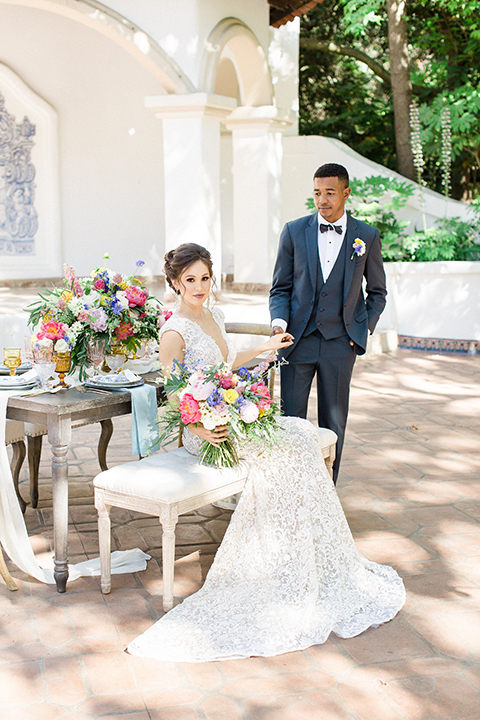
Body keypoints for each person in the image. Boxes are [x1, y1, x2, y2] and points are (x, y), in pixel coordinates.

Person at [126, 242, 404, 663]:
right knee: (288, 448)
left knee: (299, 435)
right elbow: (171, 394)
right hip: (208, 431)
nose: (199, 287)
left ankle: (306, 560)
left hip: (231, 414)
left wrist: (266, 348)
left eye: (205, 277)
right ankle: (275, 567)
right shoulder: (173, 331)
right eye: (190, 280)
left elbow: (226, 363)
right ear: (174, 283)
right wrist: (201, 424)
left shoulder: (214, 315)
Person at [270, 163, 387, 484]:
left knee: (333, 423)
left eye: (330, 193)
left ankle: (326, 491)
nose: (322, 200)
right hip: (297, 341)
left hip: (340, 344)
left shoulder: (366, 236)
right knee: (290, 421)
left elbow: (377, 293)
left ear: (346, 193)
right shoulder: (295, 231)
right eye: (317, 193)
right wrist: (279, 325)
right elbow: (280, 287)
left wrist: (361, 330)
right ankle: (289, 485)